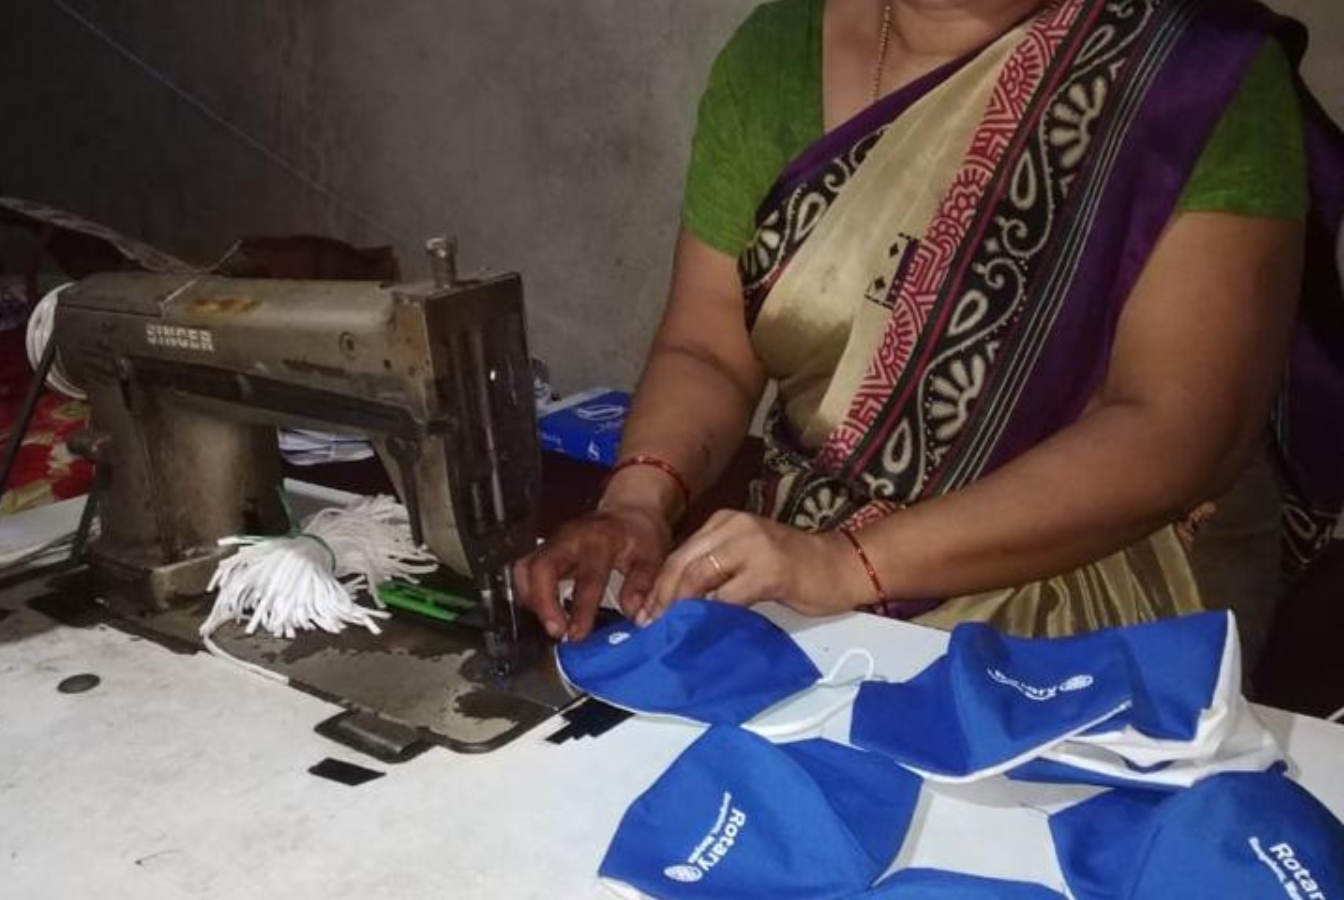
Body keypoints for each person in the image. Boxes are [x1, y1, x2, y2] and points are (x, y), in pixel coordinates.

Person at [514, 0, 1344, 670]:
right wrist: (637, 505)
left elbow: (1176, 430)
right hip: (810, 549)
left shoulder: (1188, 79)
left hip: (1112, 587)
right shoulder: (776, 54)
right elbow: (707, 347)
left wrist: (848, 564)